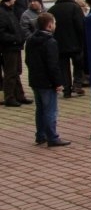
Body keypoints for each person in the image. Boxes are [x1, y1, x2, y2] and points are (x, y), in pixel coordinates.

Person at [25, 13, 68, 146]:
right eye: (54, 23)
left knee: (40, 109)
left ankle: (40, 135)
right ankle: (52, 137)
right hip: (47, 81)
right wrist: (58, 82)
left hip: (35, 79)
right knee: (50, 110)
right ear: (49, 25)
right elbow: (52, 65)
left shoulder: (31, 40)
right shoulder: (50, 42)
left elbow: (27, 60)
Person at [49, 0, 86, 97]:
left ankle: (66, 89)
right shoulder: (75, 8)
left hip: (59, 44)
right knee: (78, 65)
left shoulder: (52, 10)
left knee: (63, 67)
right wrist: (83, 40)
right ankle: (77, 85)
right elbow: (80, 26)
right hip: (75, 43)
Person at [1, 0, 32, 107]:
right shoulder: (3, 13)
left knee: (17, 72)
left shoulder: (9, 10)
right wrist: (15, 38)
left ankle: (20, 96)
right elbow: (2, 33)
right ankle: (9, 97)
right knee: (10, 73)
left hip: (15, 46)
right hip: (9, 47)